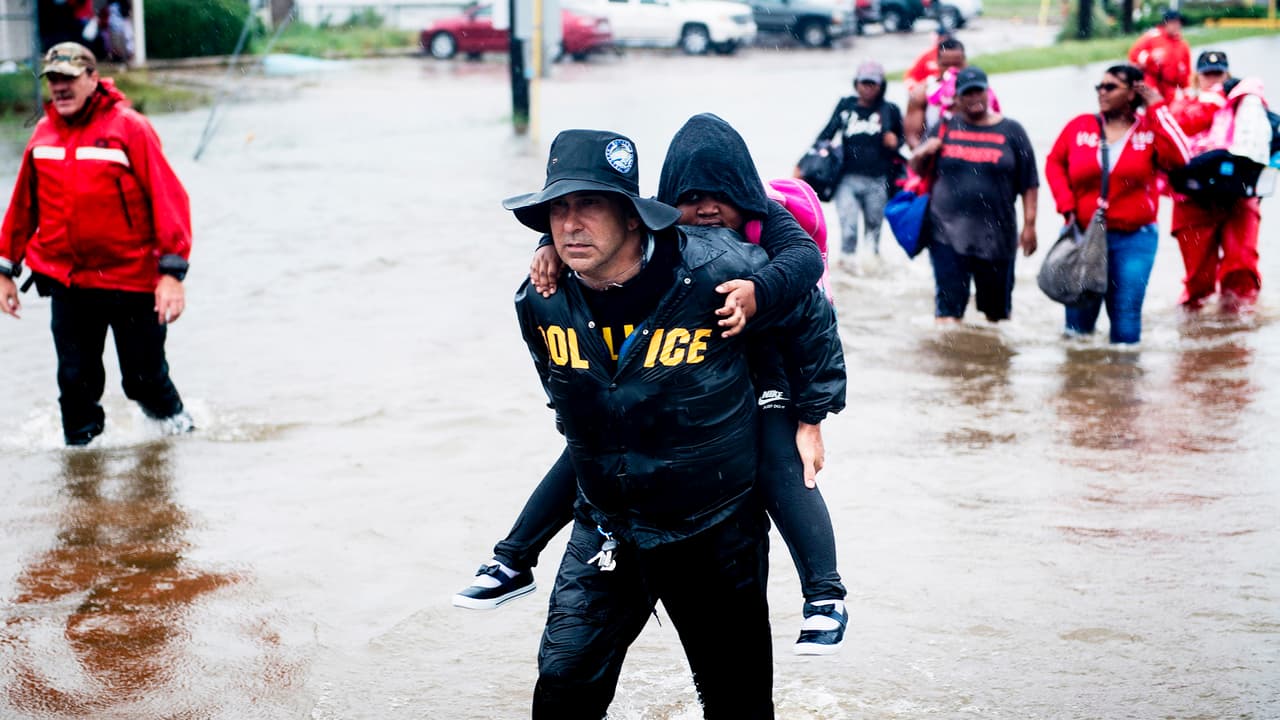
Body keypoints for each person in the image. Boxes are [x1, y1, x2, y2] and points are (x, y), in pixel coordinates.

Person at [458, 114, 851, 655]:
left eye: (722, 197)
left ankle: (825, 596)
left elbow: (809, 292)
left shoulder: (764, 232)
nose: (707, 209)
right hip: (688, 389)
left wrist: (811, 415)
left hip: (775, 359)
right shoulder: (646, 252)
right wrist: (549, 247)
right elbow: (587, 232)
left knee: (782, 463)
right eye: (690, 199)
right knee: (588, 447)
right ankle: (512, 559)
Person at [0, 43, 193, 446]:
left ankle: (181, 441)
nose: (60, 87)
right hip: (70, 283)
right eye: (53, 79)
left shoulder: (130, 128)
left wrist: (172, 274)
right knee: (75, 384)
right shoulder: (43, 133)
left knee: (143, 381)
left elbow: (168, 199)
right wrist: (5, 269)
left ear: (92, 79)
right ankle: (81, 469)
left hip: (133, 281)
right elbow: (23, 207)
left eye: (69, 78)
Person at [1046, 63, 1191, 343]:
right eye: (1099, 86)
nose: (1102, 92)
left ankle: (1124, 370)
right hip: (1084, 234)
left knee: (1125, 315)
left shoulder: (1150, 129)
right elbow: (1055, 163)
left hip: (1134, 239)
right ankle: (1078, 371)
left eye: (1110, 87)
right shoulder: (1080, 126)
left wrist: (1157, 108)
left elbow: (1182, 157)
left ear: (1133, 92)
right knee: (1078, 321)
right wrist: (1066, 206)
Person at [909, 67, 1038, 323]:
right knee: (947, 314)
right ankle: (951, 350)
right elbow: (917, 170)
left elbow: (1030, 183)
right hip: (946, 232)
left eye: (978, 91)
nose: (974, 98)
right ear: (956, 98)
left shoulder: (1012, 131)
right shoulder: (944, 127)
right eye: (967, 93)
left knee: (996, 316)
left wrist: (1030, 226)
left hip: (997, 236)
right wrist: (923, 151)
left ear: (988, 92)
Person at [1170, 50, 1270, 312]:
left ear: (1227, 74)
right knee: (1199, 276)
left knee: (1242, 266)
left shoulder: (1244, 101)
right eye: (1208, 74)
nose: (1213, 79)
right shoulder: (1182, 103)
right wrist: (1213, 102)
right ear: (1197, 77)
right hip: (1193, 199)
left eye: (1219, 74)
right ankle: (1193, 318)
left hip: (1237, 197)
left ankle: (1238, 324)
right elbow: (1181, 126)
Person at [812, 61, 905, 261]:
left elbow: (903, 139)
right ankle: (847, 269)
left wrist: (895, 142)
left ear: (881, 86)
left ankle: (871, 270)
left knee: (873, 233)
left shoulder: (889, 110)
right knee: (849, 230)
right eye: (864, 83)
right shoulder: (846, 107)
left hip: (878, 181)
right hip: (846, 180)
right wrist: (808, 165)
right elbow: (825, 135)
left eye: (873, 84)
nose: (868, 88)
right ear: (856, 84)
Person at [903, 37, 1001, 149]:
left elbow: (996, 123)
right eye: (946, 65)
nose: (951, 70)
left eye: (957, 64)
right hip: (938, 152)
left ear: (965, 62)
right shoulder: (921, 93)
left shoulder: (978, 90)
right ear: (937, 63)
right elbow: (912, 137)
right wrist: (926, 153)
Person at [1128, 9, 1192, 105]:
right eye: (1173, 23)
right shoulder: (1152, 36)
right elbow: (1133, 55)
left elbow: (1186, 72)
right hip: (1151, 81)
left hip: (1170, 87)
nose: (1177, 26)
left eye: (1178, 23)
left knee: (1177, 106)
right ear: (1165, 23)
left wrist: (1186, 91)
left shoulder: (1183, 45)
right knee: (1154, 104)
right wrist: (1150, 57)